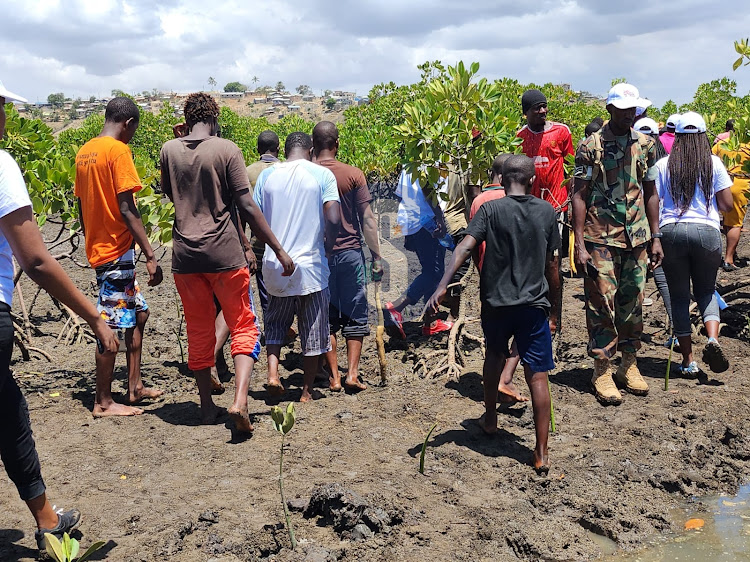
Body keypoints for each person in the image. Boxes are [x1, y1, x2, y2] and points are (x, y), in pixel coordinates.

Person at [0, 80, 119, 552]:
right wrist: (93, 316)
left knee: (9, 413)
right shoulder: (1, 164)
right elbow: (36, 260)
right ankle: (48, 521)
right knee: (8, 414)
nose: (7, 116)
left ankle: (48, 519)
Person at [161, 93, 293, 431]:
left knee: (199, 329)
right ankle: (239, 402)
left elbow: (170, 191)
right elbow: (246, 206)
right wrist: (277, 249)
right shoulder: (227, 149)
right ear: (216, 119)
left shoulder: (169, 150)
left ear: (186, 119)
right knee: (244, 326)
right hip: (224, 255)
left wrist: (181, 141)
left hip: (185, 258)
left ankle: (206, 408)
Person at [427, 154, 559, 474]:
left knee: (494, 358)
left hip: (497, 304)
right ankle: (540, 453)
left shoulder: (489, 209)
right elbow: (553, 265)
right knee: (537, 376)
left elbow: (465, 247)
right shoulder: (545, 211)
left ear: (501, 181)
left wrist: (442, 285)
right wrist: (556, 310)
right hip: (534, 306)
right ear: (531, 181)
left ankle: (489, 419)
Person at [572, 83, 663, 405]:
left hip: (637, 238)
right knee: (601, 305)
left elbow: (651, 192)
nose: (629, 116)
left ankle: (629, 364)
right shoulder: (590, 147)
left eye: (633, 111)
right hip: (600, 238)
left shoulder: (647, 145)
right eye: (623, 111)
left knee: (632, 302)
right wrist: (579, 243)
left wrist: (656, 236)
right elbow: (579, 194)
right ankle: (601, 368)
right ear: (609, 110)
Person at [74, 97, 163, 417]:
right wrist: (151, 254)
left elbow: (82, 206)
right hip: (114, 252)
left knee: (139, 314)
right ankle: (103, 401)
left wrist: (91, 242)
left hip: (102, 248)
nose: (132, 136)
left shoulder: (85, 151)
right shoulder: (118, 151)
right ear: (128, 123)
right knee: (109, 325)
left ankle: (135, 386)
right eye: (133, 130)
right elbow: (128, 208)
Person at [254, 132, 341, 402]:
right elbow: (334, 217)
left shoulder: (267, 176)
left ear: (285, 150)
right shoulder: (322, 175)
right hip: (311, 266)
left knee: (276, 322)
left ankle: (272, 375)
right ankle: (305, 391)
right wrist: (328, 245)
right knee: (314, 329)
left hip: (274, 263)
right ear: (311, 150)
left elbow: (255, 218)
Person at [655, 112, 733, 376]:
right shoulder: (715, 164)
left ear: (675, 136)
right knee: (707, 291)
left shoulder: (663, 165)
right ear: (703, 136)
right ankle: (712, 339)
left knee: (678, 296)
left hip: (671, 231)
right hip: (706, 231)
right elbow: (727, 204)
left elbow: (654, 202)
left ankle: (688, 359)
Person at [209, 130, 281, 393]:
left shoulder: (245, 169)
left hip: (202, 249)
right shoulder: (283, 171)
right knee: (246, 304)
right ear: (279, 148)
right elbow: (243, 208)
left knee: (216, 306)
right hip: (264, 243)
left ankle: (214, 359)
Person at [312, 121, 382, 392]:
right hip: (352, 253)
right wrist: (376, 257)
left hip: (320, 256)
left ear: (313, 145)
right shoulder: (353, 174)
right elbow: (367, 219)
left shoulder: (307, 174)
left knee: (327, 315)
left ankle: (334, 376)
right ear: (337, 144)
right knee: (355, 312)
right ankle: (352, 373)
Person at [469, 153, 526, 402]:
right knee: (525, 331)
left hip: (488, 276)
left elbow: (472, 244)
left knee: (494, 337)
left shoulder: (478, 201)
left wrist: (480, 270)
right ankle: (506, 377)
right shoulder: (516, 198)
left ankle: (493, 392)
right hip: (519, 277)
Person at [517, 89, 574, 327]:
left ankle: (555, 316)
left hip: (556, 206)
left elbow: (571, 168)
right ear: (525, 113)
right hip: (529, 207)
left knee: (553, 262)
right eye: (536, 108)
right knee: (532, 261)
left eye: (544, 106)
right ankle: (534, 308)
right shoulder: (519, 136)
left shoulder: (561, 132)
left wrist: (570, 201)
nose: (542, 111)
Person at [384, 169, 449, 338]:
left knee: (430, 271)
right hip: (427, 221)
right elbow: (428, 189)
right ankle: (396, 307)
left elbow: (402, 195)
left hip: (413, 222)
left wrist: (407, 231)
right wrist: (440, 219)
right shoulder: (428, 158)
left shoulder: (409, 162)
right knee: (434, 273)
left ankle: (431, 322)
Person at [634, 117, 676, 347]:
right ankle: (678, 331)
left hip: (644, 229)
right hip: (656, 228)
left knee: (639, 281)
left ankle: (632, 330)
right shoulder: (665, 163)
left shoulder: (651, 164)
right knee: (662, 281)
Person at [712, 124, 749, 271]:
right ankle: (728, 259)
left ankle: (730, 253)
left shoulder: (721, 144)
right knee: (736, 224)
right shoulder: (747, 145)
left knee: (728, 221)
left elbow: (711, 160)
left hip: (722, 185)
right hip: (740, 185)